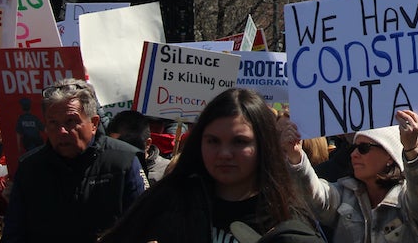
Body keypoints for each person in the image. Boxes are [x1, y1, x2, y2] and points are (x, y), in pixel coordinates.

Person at [101, 88, 314, 243]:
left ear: (263, 145)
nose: (224, 153)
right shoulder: (167, 201)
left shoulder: (287, 217)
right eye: (213, 141)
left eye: (239, 142)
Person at [4, 78, 147, 243]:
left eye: (71, 121)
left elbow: (144, 227)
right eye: (53, 123)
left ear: (93, 123)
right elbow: (13, 234)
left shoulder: (125, 160)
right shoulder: (30, 169)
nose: (62, 131)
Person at [283, 109, 418, 243]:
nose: (354, 154)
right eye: (355, 147)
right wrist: (296, 157)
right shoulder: (344, 194)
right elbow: (314, 196)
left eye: (364, 148)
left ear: (389, 156)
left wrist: (411, 149)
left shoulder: (408, 200)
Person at [106, 109, 170, 187]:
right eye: (114, 145)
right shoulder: (104, 169)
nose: (121, 153)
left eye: (128, 147)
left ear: (147, 144)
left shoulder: (167, 171)